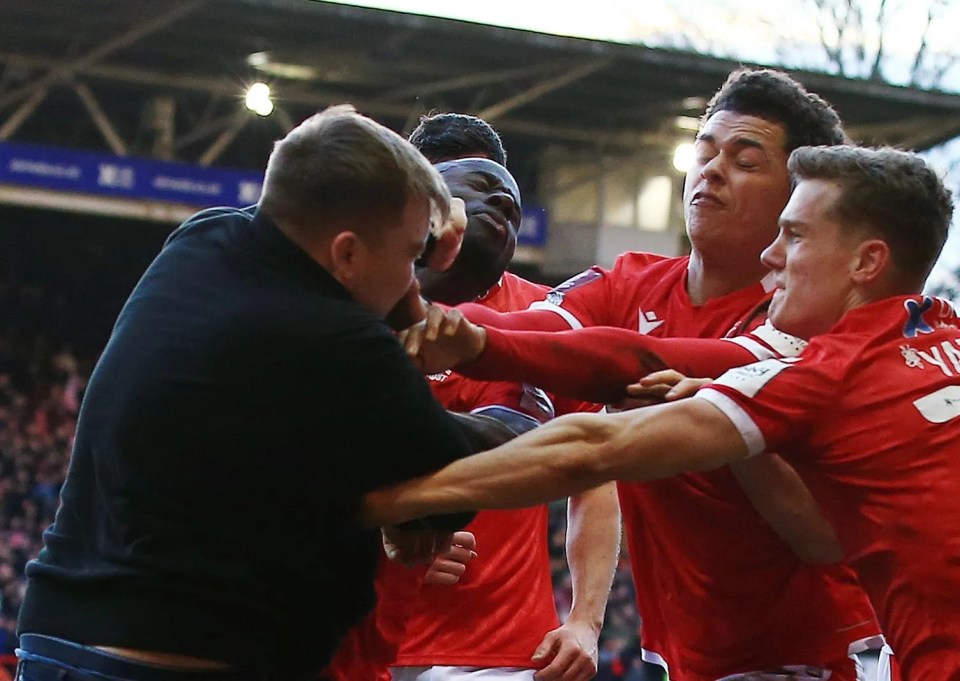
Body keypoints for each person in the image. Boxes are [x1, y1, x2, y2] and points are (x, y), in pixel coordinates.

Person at [363, 145, 958, 680]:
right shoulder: (940, 334)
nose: (772, 255)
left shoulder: (819, 370)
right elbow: (825, 534)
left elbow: (592, 448)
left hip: (805, 655)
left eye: (795, 235)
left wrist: (382, 504)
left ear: (867, 261)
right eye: (707, 149)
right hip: (734, 650)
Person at [13, 105, 515, 681]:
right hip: (173, 664)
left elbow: (307, 201)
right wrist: (522, 407)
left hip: (54, 640)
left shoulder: (202, 239)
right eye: (410, 255)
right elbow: (460, 481)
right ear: (347, 253)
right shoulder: (335, 340)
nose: (415, 278)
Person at [392, 156, 620, 681]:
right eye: (473, 184)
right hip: (363, 634)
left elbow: (595, 473)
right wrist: (394, 535)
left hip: (503, 651)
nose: (498, 203)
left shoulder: (542, 316)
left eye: (512, 204)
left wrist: (586, 619)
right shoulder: (357, 300)